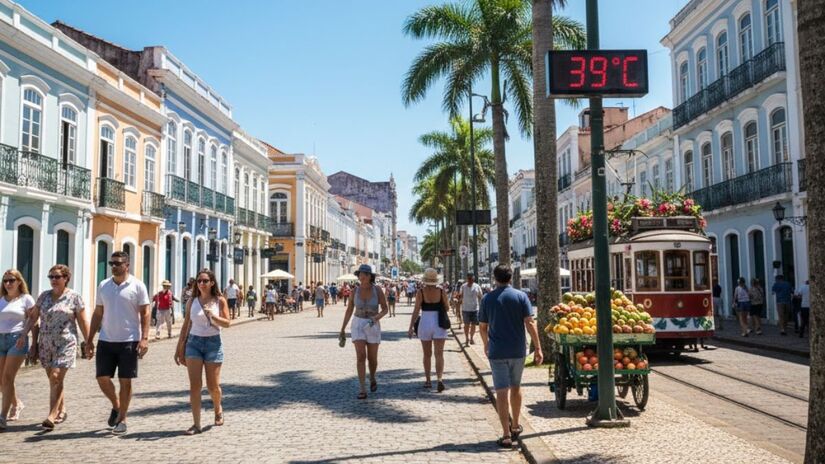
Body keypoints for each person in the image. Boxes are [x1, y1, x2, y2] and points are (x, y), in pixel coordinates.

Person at [85, 251, 151, 435]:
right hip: (106, 339)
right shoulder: (104, 285)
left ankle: (122, 420)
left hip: (129, 340)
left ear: (126, 265)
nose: (113, 266)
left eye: (117, 263)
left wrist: (145, 338)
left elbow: (145, 312)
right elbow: (98, 313)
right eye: (111, 263)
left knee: (125, 380)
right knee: (102, 378)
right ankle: (116, 405)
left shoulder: (137, 285)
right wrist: (89, 340)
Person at [18, 264, 91, 430]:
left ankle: (51, 415)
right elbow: (33, 318)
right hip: (46, 343)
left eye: (57, 277)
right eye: (51, 277)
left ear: (66, 278)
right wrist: (25, 336)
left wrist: (88, 341)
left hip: (66, 343)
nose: (53, 280)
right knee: (54, 379)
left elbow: (82, 321)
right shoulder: (44, 296)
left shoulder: (74, 297)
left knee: (56, 376)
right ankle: (61, 409)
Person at [479, 264, 542, 448]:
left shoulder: (487, 299)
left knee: (501, 391)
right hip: (517, 350)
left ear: (495, 278)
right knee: (516, 387)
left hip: (497, 351)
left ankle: (506, 435)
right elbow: (530, 323)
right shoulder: (521, 296)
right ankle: (515, 425)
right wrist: (538, 347)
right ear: (511, 278)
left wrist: (486, 344)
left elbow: (482, 327)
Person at [174, 269, 230, 435]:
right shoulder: (192, 301)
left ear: (212, 283)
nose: (201, 284)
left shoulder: (219, 300)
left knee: (213, 386)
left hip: (213, 344)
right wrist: (179, 347)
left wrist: (213, 316)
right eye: (199, 281)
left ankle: (218, 408)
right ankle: (196, 424)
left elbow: (227, 323)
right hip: (194, 343)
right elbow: (186, 325)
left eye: (205, 281)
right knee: (195, 385)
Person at [340, 264, 389, 399]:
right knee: (361, 356)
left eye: (363, 274)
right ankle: (362, 388)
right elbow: (349, 310)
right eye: (359, 274)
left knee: (372, 358)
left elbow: (385, 309)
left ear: (369, 276)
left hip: (373, 323)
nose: (361, 277)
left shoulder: (377, 290)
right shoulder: (355, 290)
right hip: (358, 323)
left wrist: (376, 318)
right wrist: (343, 328)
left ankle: (372, 377)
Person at [0, 269, 36, 430]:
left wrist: (34, 342)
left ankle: (2, 416)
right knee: (1, 380)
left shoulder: (26, 299)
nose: (8, 283)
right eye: (5, 281)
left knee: (8, 377)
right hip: (0, 339)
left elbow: (33, 320)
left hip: (17, 340)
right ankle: (17, 403)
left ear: (19, 282)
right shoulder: (1, 299)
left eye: (11, 280)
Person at [407, 268, 449, 392]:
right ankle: (439, 379)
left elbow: (416, 310)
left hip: (425, 322)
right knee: (439, 354)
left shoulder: (421, 292)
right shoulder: (441, 291)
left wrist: (411, 327)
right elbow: (447, 307)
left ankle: (428, 380)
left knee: (427, 354)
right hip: (439, 323)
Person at [459, 273, 483, 347]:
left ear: (474, 279)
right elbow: (460, 296)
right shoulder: (463, 286)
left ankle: (471, 338)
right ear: (467, 279)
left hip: (475, 309)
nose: (471, 280)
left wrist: (482, 305)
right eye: (469, 279)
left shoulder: (477, 286)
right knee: (466, 325)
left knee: (473, 325)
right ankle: (467, 338)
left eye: (472, 279)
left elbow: (480, 296)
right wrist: (458, 299)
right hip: (465, 309)